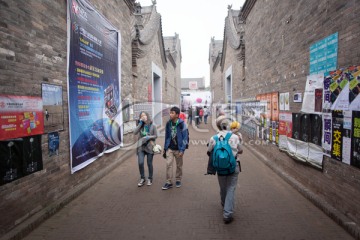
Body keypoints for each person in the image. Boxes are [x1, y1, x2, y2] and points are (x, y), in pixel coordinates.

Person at [207, 115, 242, 224]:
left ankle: (224, 203)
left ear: (218, 126)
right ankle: (227, 214)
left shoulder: (214, 138)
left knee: (223, 187)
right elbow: (240, 150)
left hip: (220, 168)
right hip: (233, 166)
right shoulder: (235, 137)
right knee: (231, 188)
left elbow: (209, 151)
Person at [162, 106, 189, 190]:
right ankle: (168, 182)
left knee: (179, 165)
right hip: (170, 148)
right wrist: (165, 147)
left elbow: (185, 137)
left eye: (172, 113)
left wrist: (182, 149)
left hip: (179, 149)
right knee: (168, 164)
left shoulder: (182, 124)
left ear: (177, 115)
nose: (170, 114)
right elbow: (166, 136)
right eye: (170, 112)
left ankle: (178, 179)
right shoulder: (168, 123)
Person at [133, 111, 158, 187]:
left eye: (144, 115)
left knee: (149, 163)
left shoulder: (152, 125)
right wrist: (140, 123)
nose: (143, 117)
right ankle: (142, 178)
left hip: (149, 147)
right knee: (140, 163)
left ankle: (150, 178)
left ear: (147, 116)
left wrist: (148, 137)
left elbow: (156, 136)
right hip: (141, 147)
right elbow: (134, 132)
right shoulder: (140, 125)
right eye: (141, 116)